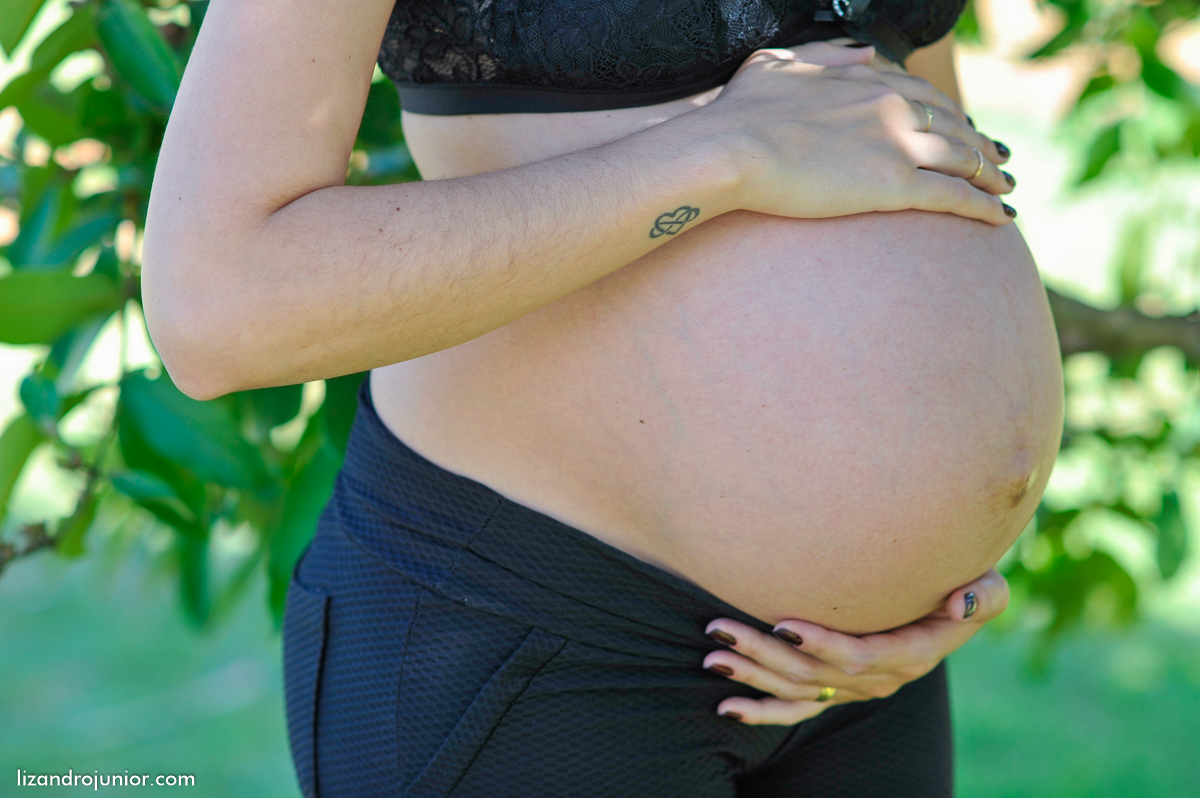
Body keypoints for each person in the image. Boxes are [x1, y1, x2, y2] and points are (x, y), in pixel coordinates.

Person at [142, 0, 1064, 793]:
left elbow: (919, 131)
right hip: (539, 630)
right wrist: (723, 153)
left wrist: (929, 564)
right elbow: (220, 303)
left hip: (861, 673)